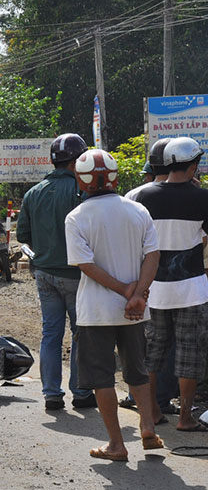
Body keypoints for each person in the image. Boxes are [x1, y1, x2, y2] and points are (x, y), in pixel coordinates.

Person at [64, 149, 163, 461]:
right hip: (135, 311)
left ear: (81, 182)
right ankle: (148, 426)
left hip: (96, 312)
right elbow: (153, 255)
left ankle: (117, 445)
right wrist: (138, 293)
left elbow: (85, 265)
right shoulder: (138, 211)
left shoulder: (77, 217)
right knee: (138, 370)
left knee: (101, 377)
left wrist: (123, 290)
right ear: (116, 177)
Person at [130, 137, 208, 432]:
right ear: (193, 165)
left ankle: (150, 414)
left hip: (153, 290)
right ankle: (185, 417)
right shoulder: (203, 198)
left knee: (153, 353)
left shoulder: (142, 196)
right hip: (191, 289)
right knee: (190, 354)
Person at [16, 133, 94, 411]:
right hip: (76, 275)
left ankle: (51, 393)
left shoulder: (33, 192)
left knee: (51, 333)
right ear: (78, 160)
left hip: (44, 274)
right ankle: (82, 392)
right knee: (80, 333)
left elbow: (22, 235)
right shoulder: (82, 192)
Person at [120, 138, 179, 416]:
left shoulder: (134, 196)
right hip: (184, 279)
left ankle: (140, 397)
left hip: (143, 279)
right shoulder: (192, 193)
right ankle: (164, 397)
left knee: (147, 340)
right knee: (175, 340)